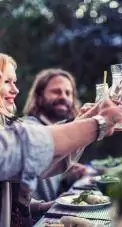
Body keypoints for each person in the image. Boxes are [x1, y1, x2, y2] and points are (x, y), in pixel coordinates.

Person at [0, 53, 122, 226]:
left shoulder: (8, 126)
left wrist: (43, 207)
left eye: (14, 82)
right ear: (39, 95)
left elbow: (35, 168)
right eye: (6, 82)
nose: (15, 90)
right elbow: (27, 152)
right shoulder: (25, 128)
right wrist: (97, 124)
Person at [22, 68, 87, 219]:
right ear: (39, 96)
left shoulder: (60, 132)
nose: (63, 97)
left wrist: (68, 175)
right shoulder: (28, 126)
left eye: (68, 93)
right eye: (56, 92)